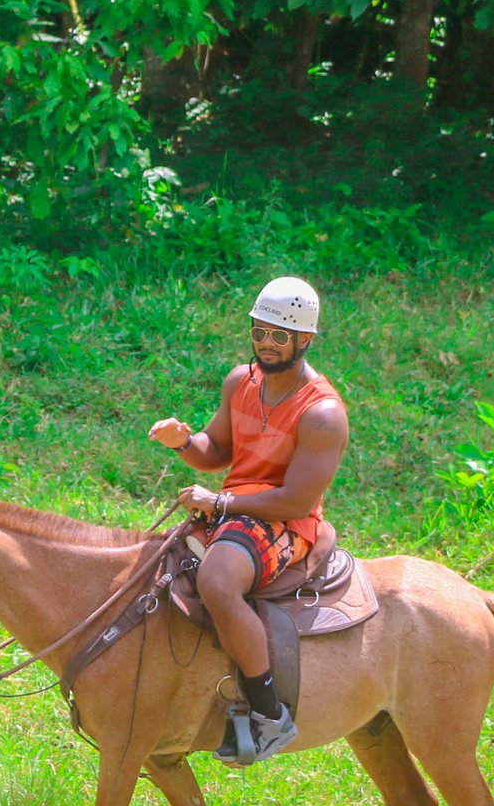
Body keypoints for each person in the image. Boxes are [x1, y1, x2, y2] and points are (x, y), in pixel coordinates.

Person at [148, 276, 349, 764]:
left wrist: (220, 504)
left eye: (280, 335)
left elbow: (296, 502)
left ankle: (268, 714)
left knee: (217, 581)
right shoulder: (241, 381)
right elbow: (215, 451)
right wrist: (183, 441)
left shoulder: (322, 413)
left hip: (284, 522)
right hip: (235, 507)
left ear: (306, 339)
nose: (266, 343)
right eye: (259, 331)